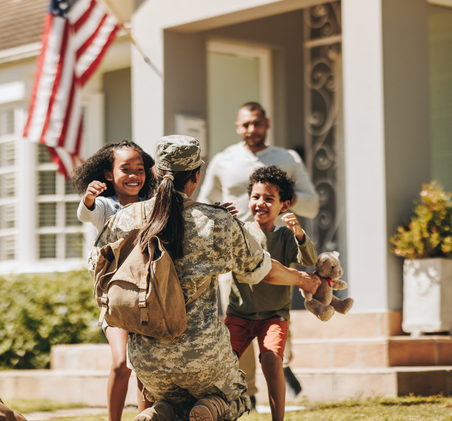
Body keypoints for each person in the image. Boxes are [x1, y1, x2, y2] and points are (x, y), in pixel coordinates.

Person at [89, 135, 321, 421]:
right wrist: (302, 279)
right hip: (205, 359)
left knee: (166, 396)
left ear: (155, 173)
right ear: (196, 176)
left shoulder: (125, 218)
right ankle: (210, 406)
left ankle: (159, 410)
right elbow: (265, 270)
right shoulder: (216, 221)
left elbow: (98, 270)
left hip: (148, 361)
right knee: (236, 398)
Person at [197, 101, 319, 404]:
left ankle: (281, 370)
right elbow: (203, 202)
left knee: (273, 319)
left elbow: (313, 203)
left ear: (267, 123)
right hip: (236, 250)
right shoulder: (224, 160)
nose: (252, 129)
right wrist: (222, 218)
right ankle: (248, 393)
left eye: (257, 123)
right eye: (245, 124)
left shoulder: (286, 158)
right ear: (238, 127)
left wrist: (277, 197)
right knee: (237, 318)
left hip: (273, 249)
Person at [224, 166, 317, 421]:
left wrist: (299, 232)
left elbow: (309, 259)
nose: (260, 203)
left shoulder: (286, 236)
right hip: (239, 314)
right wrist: (223, 218)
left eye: (268, 198)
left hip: (273, 316)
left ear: (284, 205)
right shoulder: (240, 231)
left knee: (272, 361)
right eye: (255, 197)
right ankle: (222, 411)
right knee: (224, 363)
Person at [73, 140, 157, 421]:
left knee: (145, 368)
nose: (134, 175)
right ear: (109, 174)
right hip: (115, 299)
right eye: (126, 169)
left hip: (147, 296)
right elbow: (87, 213)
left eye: (140, 169)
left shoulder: (151, 206)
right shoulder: (107, 207)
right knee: (122, 363)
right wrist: (88, 198)